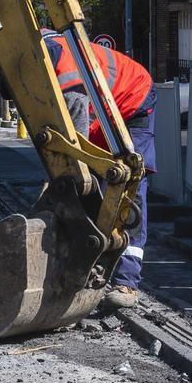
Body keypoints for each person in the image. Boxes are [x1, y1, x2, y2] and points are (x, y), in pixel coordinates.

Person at [41, 29, 156, 309]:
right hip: (99, 112)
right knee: (84, 188)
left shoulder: (64, 68)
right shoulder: (41, 54)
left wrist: (66, 181)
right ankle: (82, 261)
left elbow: (75, 148)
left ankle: (127, 282)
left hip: (131, 105)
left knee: (127, 191)